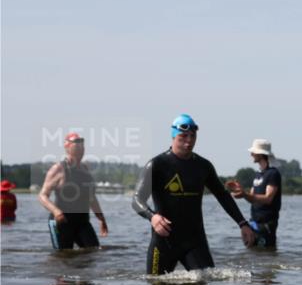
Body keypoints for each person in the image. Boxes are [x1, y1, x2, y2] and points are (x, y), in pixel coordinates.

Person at [132, 114, 255, 274]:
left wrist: (242, 223)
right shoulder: (157, 165)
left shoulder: (203, 166)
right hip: (164, 241)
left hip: (195, 241)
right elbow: (137, 199)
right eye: (183, 136)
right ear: (173, 136)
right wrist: (152, 217)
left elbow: (222, 196)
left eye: (193, 136)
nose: (189, 140)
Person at [38, 133, 108, 249]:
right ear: (67, 147)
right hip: (61, 221)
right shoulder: (58, 169)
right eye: (77, 145)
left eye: (82, 146)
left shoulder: (85, 169)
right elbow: (42, 196)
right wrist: (56, 211)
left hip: (82, 222)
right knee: (63, 258)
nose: (80, 149)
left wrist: (101, 218)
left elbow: (91, 197)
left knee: (94, 251)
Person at [229, 139, 282, 247]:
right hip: (254, 222)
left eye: (254, 152)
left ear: (262, 154)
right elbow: (252, 197)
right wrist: (241, 191)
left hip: (267, 224)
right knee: (254, 255)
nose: (251, 154)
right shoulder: (258, 174)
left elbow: (268, 198)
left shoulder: (273, 173)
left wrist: (244, 194)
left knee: (265, 254)